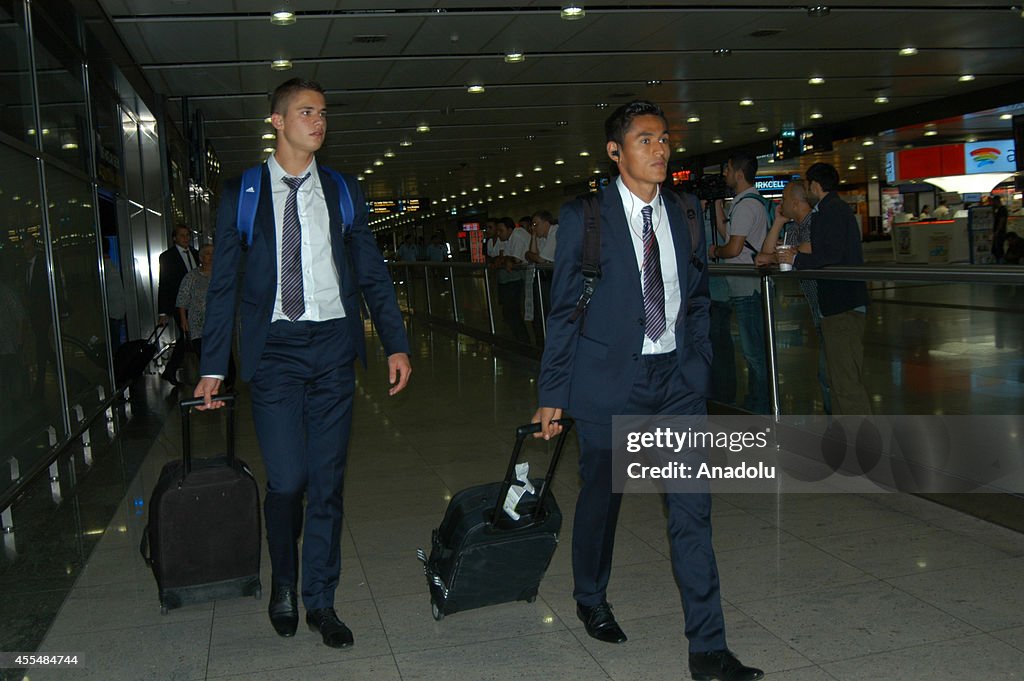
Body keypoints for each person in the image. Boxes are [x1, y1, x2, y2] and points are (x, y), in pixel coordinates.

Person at [533, 100, 763, 681]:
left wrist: (698, 364)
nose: (659, 149)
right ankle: (590, 596)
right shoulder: (584, 217)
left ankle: (708, 648)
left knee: (692, 511)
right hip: (612, 383)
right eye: (644, 140)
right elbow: (563, 315)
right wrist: (552, 392)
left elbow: (700, 295)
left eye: (664, 139)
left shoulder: (687, 211)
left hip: (676, 383)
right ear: (616, 152)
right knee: (602, 498)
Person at [194, 77, 412, 648]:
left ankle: (321, 600)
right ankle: (283, 583)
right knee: (288, 481)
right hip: (275, 355)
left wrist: (396, 342)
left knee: (327, 483)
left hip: (334, 349)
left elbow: (370, 273)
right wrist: (213, 364)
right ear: (277, 121)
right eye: (307, 112)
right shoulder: (242, 193)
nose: (319, 121)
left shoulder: (342, 189)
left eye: (323, 113)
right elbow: (223, 290)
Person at [778, 162, 871, 415]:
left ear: (815, 186)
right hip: (841, 304)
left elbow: (828, 255)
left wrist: (794, 260)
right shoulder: (833, 210)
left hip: (841, 305)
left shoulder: (830, 212)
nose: (806, 189)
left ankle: (864, 443)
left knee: (845, 381)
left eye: (807, 185)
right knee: (839, 379)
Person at [756, 180, 831, 414]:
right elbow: (764, 255)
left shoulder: (815, 223)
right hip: (818, 307)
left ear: (797, 203)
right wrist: (778, 221)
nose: (780, 203)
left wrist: (781, 255)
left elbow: (808, 250)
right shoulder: (794, 228)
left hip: (830, 306)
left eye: (785, 200)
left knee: (829, 372)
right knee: (826, 371)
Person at [711, 151, 769, 413]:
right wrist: (716, 205)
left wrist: (715, 252)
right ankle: (759, 401)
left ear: (739, 172)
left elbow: (733, 248)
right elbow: (731, 234)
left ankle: (761, 404)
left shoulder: (746, 205)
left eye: (728, 169)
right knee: (753, 350)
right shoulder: (746, 202)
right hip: (745, 287)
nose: (725, 174)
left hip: (748, 288)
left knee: (754, 353)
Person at [175, 244, 235, 387]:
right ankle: (210, 384)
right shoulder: (192, 276)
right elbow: (182, 299)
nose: (211, 256)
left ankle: (230, 385)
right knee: (205, 355)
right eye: (208, 253)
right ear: (201, 258)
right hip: (198, 324)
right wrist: (183, 319)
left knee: (226, 355)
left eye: (214, 253)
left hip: (220, 323)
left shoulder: (222, 275)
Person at [157, 224, 200, 386]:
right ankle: (172, 369)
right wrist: (163, 312)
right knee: (189, 335)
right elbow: (165, 285)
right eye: (182, 235)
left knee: (189, 337)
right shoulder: (167, 257)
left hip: (197, 302)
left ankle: (171, 370)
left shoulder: (196, 254)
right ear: (174, 238)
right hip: (179, 304)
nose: (186, 238)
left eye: (188, 235)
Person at [492, 216, 531, 344]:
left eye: (500, 230)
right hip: (519, 278)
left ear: (510, 229)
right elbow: (505, 257)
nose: (498, 234)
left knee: (513, 312)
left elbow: (516, 259)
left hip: (521, 278)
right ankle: (522, 341)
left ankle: (524, 342)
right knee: (510, 313)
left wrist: (507, 260)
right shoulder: (510, 238)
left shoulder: (517, 236)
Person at [102, 239, 126, 352]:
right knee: (115, 343)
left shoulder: (104, 268)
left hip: (112, 313)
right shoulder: (111, 266)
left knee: (113, 345)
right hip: (116, 312)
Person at [991, 195, 1009, 262]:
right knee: (997, 247)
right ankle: (1000, 259)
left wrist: (997, 231)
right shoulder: (999, 210)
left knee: (998, 246)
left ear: (997, 201)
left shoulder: (1002, 209)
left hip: (1000, 232)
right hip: (999, 231)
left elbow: (1002, 221)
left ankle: (1001, 259)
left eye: (993, 202)